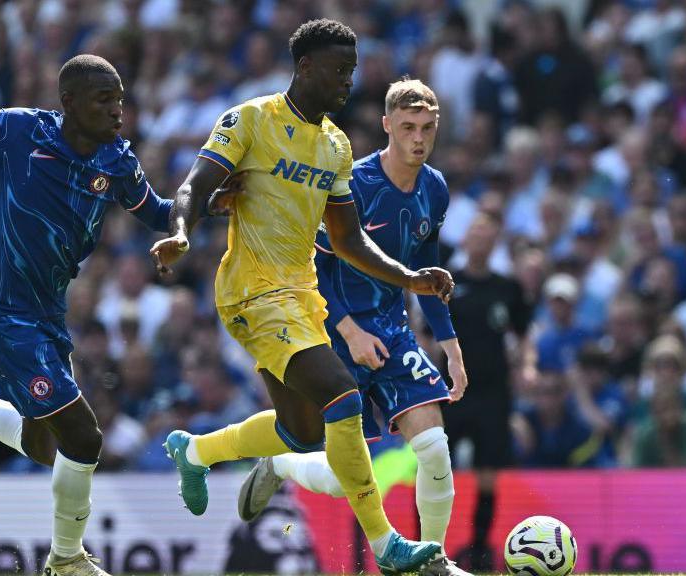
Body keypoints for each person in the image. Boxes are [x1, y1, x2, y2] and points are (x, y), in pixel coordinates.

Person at [0, 1, 219, 574]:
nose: (118, 111)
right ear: (68, 103)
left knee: (46, 447)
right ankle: (65, 560)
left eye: (120, 100)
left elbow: (160, 212)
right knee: (84, 438)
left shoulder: (117, 160)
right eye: (103, 101)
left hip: (45, 316)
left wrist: (210, 206)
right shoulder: (21, 131)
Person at [150, 19, 452, 576]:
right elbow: (194, 183)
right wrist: (182, 231)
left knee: (302, 431)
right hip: (250, 293)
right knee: (343, 397)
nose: (347, 82)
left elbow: (347, 240)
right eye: (339, 71)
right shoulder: (251, 119)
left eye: (352, 72)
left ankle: (193, 452)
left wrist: (410, 279)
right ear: (305, 66)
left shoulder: (335, 145)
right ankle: (387, 545)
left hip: (301, 296)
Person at [231, 78, 471, 576]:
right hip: (338, 333)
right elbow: (315, 266)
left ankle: (435, 561)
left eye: (427, 127)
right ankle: (280, 463)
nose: (419, 138)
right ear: (387, 126)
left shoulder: (435, 187)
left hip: (393, 327)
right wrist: (350, 331)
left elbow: (427, 267)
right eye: (408, 127)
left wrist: (451, 346)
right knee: (348, 478)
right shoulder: (353, 184)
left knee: (434, 446)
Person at [445, 211, 533, 570]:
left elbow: (524, 335)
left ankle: (480, 548)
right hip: (450, 389)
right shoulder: (448, 283)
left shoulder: (506, 288)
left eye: (488, 234)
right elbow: (426, 331)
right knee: (435, 466)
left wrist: (527, 365)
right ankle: (422, 543)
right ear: (466, 239)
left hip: (492, 392)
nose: (480, 239)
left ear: (495, 242)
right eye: (475, 232)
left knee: (487, 471)